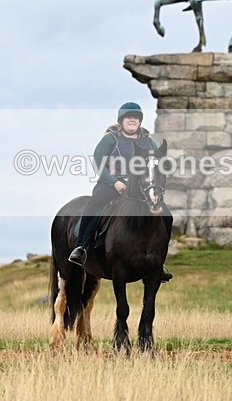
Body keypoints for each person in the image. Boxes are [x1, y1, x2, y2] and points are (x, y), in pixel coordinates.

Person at [69, 103, 173, 282]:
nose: (132, 120)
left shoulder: (147, 140)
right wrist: (114, 182)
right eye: (128, 117)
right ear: (121, 120)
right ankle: (81, 247)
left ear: (140, 121)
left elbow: (157, 161)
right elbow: (98, 163)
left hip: (140, 188)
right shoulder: (111, 139)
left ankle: (158, 260)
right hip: (111, 185)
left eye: (136, 118)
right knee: (95, 203)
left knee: (167, 215)